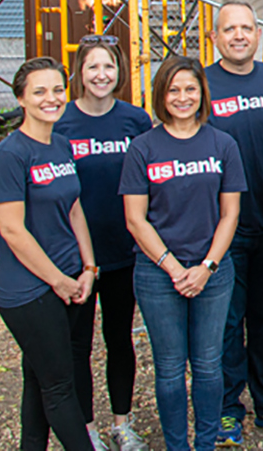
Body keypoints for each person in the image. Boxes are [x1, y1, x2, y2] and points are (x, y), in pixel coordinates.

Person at [120, 56, 246, 451]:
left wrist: (206, 266)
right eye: (173, 89)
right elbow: (136, 220)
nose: (182, 97)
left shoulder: (222, 143)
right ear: (161, 95)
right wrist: (174, 268)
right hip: (158, 274)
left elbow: (230, 213)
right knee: (170, 367)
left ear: (202, 93)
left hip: (213, 271)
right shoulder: (143, 148)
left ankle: (206, 442)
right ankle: (177, 444)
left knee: (209, 365)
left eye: (190, 88)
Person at [0, 57, 98, 451]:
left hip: (72, 279)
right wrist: (60, 281)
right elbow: (13, 230)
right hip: (30, 291)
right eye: (39, 91)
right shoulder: (10, 155)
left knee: (38, 379)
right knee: (59, 387)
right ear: (21, 98)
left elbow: (73, 207)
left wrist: (89, 267)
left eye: (57, 90)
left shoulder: (61, 145)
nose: (51, 99)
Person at [205, 2, 263, 446]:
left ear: (257, 34)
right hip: (224, 228)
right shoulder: (202, 84)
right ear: (215, 36)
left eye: (246, 27)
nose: (239, 35)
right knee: (227, 321)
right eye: (230, 29)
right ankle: (227, 408)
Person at [55, 35, 154, 451]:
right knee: (78, 344)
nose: (101, 75)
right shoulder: (61, 123)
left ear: (119, 72)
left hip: (122, 250)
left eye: (109, 67)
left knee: (120, 339)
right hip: (74, 256)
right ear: (80, 72)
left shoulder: (136, 120)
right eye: (93, 67)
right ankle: (87, 430)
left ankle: (122, 423)